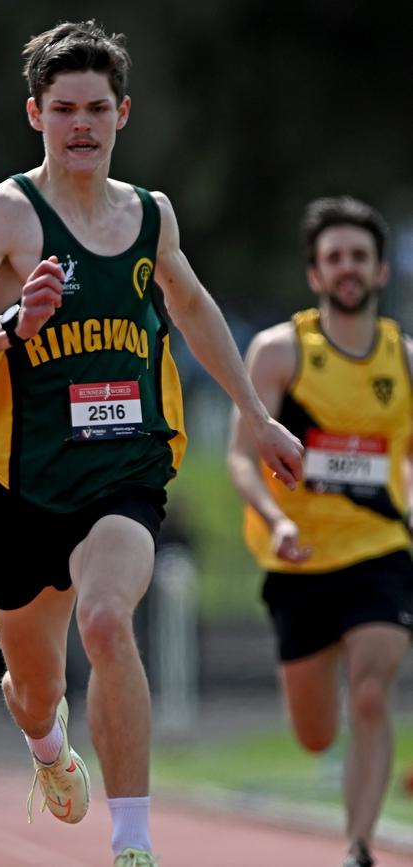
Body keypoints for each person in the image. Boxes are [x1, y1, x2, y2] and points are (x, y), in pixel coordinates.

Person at [0, 20, 302, 866]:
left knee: (103, 618)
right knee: (32, 690)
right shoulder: (5, 214)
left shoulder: (150, 217)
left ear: (123, 114)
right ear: (36, 115)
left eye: (97, 108)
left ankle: (133, 846)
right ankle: (50, 747)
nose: (81, 124)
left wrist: (256, 414)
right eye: (64, 109)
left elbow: (194, 309)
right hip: (22, 483)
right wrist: (13, 324)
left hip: (126, 467)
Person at [227, 196, 413, 867]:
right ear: (314, 273)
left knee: (371, 691)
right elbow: (241, 457)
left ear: (380, 270)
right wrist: (275, 520)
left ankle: (358, 846)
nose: (347, 268)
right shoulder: (281, 353)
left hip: (380, 553)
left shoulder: (405, 360)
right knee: (313, 734)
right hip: (298, 559)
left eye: (359, 256)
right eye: (334, 257)